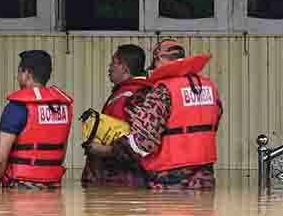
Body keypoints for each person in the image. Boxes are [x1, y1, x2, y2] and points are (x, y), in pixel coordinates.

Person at [85, 39, 222, 190]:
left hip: (170, 181)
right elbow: (213, 124)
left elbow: (143, 143)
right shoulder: (209, 87)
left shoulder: (163, 91)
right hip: (204, 179)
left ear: (158, 60)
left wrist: (105, 150)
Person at [0, 50, 74, 190]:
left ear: (27, 74)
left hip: (20, 188)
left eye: (19, 72)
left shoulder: (17, 107)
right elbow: (61, 150)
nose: (17, 77)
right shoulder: (63, 107)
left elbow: (0, 160)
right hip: (53, 188)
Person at [81, 44, 152, 187]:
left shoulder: (137, 95)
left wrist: (101, 149)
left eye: (113, 62)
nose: (109, 67)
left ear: (124, 67)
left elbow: (141, 142)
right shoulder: (128, 92)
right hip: (117, 182)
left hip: (121, 183)